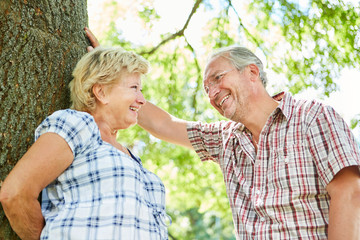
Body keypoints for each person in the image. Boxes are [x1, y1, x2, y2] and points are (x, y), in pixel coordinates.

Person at [85, 29, 360, 239]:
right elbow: (164, 125)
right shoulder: (226, 139)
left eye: (217, 78)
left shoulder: (312, 117)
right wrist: (114, 76)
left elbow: (349, 192)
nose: (213, 93)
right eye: (206, 89)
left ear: (252, 72)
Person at [0, 46, 171, 239]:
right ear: (101, 92)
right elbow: (15, 194)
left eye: (141, 90)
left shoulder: (132, 157)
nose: (142, 100)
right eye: (134, 88)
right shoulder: (79, 124)